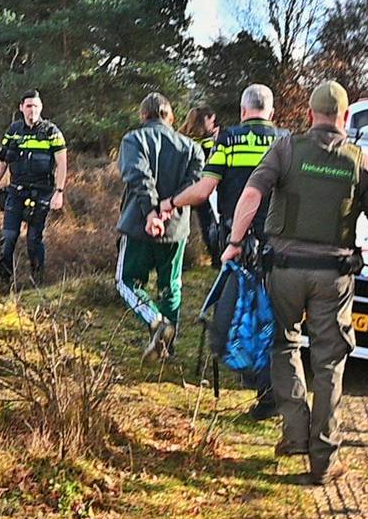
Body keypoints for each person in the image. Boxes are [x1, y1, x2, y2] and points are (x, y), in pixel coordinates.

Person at [222, 81, 368, 485]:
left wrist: (233, 243)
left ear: (310, 114)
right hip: (333, 277)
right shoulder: (363, 163)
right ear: (345, 117)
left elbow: (251, 196)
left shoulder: (285, 149)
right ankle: (324, 459)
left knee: (284, 344)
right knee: (330, 359)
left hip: (284, 269)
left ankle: (295, 434)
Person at [158, 84, 283, 419]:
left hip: (237, 244)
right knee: (270, 315)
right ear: (270, 112)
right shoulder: (286, 140)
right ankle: (267, 391)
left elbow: (203, 190)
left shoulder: (228, 138)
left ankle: (249, 373)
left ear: (244, 111)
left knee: (232, 312)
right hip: (278, 245)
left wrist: (171, 202)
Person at [116, 92, 205, 364]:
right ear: (171, 116)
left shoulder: (133, 139)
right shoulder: (193, 148)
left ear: (144, 115)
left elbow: (137, 176)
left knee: (127, 281)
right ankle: (166, 348)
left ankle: (155, 322)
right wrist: (168, 209)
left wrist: (151, 212)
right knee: (170, 287)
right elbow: (194, 184)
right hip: (176, 228)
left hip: (139, 225)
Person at [0, 89, 67, 293]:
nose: (33, 110)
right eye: (29, 106)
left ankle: (37, 282)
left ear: (41, 108)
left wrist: (59, 191)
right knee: (9, 238)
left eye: (36, 106)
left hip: (41, 193)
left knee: (34, 240)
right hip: (15, 192)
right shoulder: (13, 131)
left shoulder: (52, 132)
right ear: (21, 108)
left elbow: (62, 163)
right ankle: (4, 282)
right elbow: (2, 160)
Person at [178, 105, 222, 266]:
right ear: (205, 120)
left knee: (180, 226)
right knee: (209, 224)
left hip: (182, 188)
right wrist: (217, 141)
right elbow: (213, 161)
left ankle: (182, 260)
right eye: (212, 120)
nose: (214, 124)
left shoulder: (181, 138)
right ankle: (216, 258)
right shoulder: (208, 142)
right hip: (203, 189)